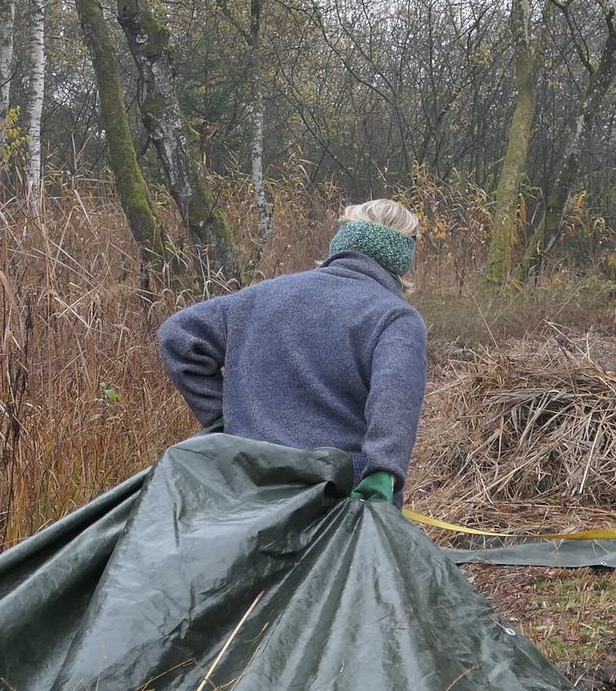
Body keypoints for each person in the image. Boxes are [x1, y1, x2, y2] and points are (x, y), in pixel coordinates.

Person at [156, 199, 429, 502]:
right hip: (339, 497)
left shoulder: (263, 296)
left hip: (243, 482)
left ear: (342, 240)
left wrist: (225, 420)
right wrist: (383, 472)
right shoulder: (395, 317)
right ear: (403, 257)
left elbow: (177, 334)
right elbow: (394, 395)